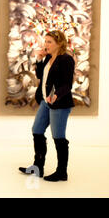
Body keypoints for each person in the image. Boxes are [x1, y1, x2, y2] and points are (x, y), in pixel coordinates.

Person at [19, 30, 75, 181]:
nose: (46, 44)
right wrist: (39, 58)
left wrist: (57, 95)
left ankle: (62, 172)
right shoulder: (48, 58)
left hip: (60, 104)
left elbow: (67, 84)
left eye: (49, 42)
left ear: (60, 43)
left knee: (58, 137)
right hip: (45, 101)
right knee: (37, 130)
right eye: (45, 41)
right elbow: (39, 76)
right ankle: (37, 167)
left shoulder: (66, 60)